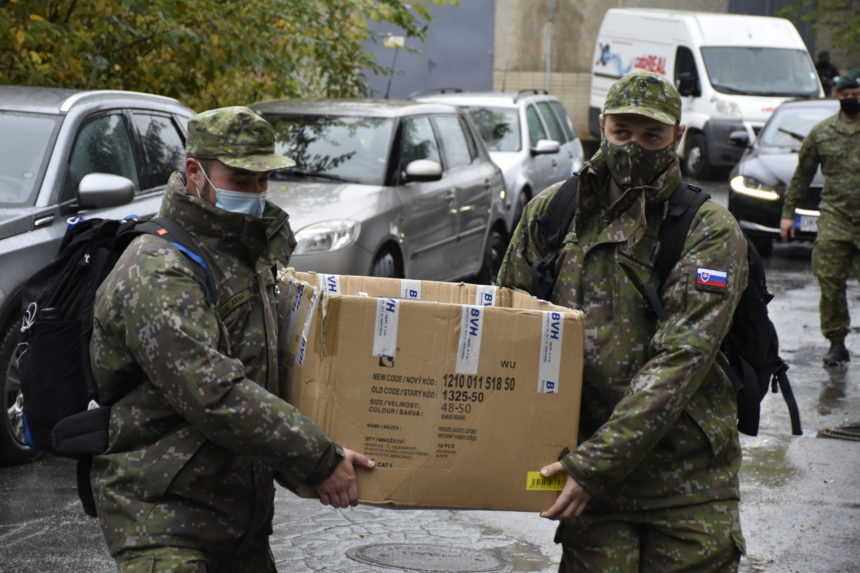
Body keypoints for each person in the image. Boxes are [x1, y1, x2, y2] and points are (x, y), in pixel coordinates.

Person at [89, 106, 374, 572]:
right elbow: (214, 393)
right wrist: (319, 457)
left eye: (263, 181)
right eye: (241, 180)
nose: (256, 193)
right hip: (164, 524)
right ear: (196, 172)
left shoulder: (242, 255)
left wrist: (300, 464)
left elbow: (267, 376)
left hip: (237, 524)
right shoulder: (158, 270)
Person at [497, 72, 748, 572]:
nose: (635, 147)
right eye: (622, 133)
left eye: (652, 136)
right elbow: (507, 325)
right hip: (591, 482)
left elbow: (681, 360)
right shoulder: (553, 213)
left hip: (685, 484)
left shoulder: (708, 230)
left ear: (677, 136)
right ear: (601, 127)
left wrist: (592, 467)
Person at [780, 69, 860, 367]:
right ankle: (836, 341)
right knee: (830, 283)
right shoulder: (822, 133)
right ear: (838, 96)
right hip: (835, 219)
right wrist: (788, 215)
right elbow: (801, 177)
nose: (853, 100)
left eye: (858, 95)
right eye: (848, 95)